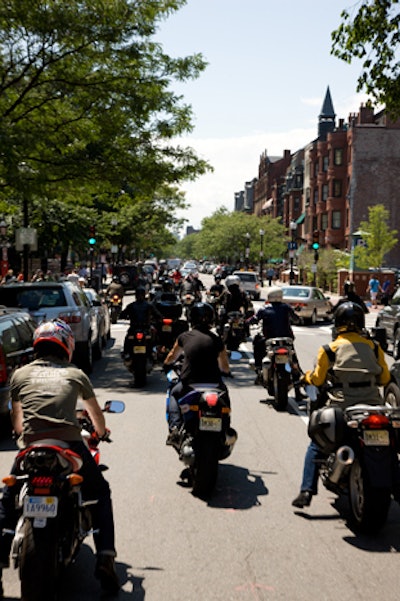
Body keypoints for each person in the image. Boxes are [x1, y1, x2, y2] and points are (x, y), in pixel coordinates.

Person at [0, 320, 119, 595]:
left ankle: (1, 548)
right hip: (69, 446)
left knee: (8, 494)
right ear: (66, 345)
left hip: (30, 448)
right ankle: (105, 557)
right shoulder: (75, 374)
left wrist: (28, 434)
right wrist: (100, 432)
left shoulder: (20, 375)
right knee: (100, 492)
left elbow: (17, 423)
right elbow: (95, 414)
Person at [292, 302, 390, 509]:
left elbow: (318, 380)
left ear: (338, 323)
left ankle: (306, 491)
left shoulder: (329, 349)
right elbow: (384, 378)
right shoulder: (374, 347)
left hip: (342, 407)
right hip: (373, 405)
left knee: (316, 445)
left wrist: (306, 377)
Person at [163, 302, 232, 445]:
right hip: (215, 385)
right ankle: (225, 429)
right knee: (225, 398)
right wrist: (226, 372)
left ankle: (175, 427)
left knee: (174, 394)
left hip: (190, 384)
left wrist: (166, 364)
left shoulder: (184, 337)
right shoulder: (217, 340)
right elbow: (225, 367)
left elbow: (172, 357)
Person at [247, 286, 305, 401]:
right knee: (295, 364)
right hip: (286, 340)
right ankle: (298, 392)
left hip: (269, 340)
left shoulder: (264, 309)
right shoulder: (286, 308)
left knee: (257, 343)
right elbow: (296, 319)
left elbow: (253, 319)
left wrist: (247, 322)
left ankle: (259, 369)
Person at [120, 286, 162, 356]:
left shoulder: (131, 305)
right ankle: (153, 351)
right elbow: (158, 315)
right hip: (144, 328)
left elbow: (122, 315)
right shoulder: (148, 305)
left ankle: (126, 352)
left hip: (135, 328)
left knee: (128, 340)